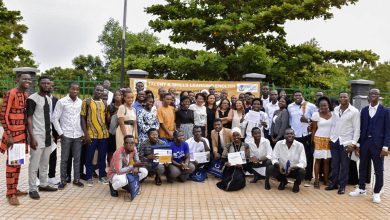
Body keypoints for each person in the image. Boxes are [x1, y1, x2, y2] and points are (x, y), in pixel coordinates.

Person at [350, 89, 390, 203]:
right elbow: (360, 128)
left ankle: (377, 192)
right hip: (364, 144)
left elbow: (388, 130)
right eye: (372, 93)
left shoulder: (386, 111)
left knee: (378, 170)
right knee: (362, 167)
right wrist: (358, 144)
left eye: (376, 93)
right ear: (368, 96)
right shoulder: (363, 110)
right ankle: (361, 188)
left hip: (378, 146)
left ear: (379, 96)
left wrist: (385, 147)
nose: (374, 95)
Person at [0, 72, 31, 206]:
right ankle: (10, 194)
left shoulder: (25, 95)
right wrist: (9, 135)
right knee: (11, 166)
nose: (27, 81)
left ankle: (14, 189)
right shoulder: (10, 93)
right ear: (18, 79)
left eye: (29, 79)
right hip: (13, 136)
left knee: (17, 164)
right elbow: (3, 116)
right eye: (24, 78)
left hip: (22, 136)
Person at [27, 76, 58, 200]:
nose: (46, 85)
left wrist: (52, 135)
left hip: (47, 136)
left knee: (45, 162)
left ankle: (43, 184)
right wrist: (32, 137)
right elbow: (28, 119)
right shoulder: (32, 99)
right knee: (34, 164)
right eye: (43, 83)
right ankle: (32, 188)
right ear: (39, 84)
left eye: (48, 83)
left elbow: (49, 118)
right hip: (37, 135)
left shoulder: (48, 99)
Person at [326, 92, 360, 195]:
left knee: (345, 165)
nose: (342, 98)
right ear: (339, 98)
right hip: (335, 140)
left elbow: (357, 129)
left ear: (348, 98)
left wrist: (353, 144)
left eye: (345, 96)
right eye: (341, 97)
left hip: (346, 142)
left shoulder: (354, 111)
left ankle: (342, 186)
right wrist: (330, 138)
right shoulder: (336, 109)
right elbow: (333, 125)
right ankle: (333, 183)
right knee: (334, 164)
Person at [52, 82, 84, 189]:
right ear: (69, 89)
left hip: (78, 134)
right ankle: (63, 180)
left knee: (77, 159)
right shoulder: (62, 102)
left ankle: (77, 179)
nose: (75, 91)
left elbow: (82, 119)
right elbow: (54, 118)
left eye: (77, 89)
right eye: (72, 89)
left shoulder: (81, 102)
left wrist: (83, 133)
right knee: (64, 159)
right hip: (66, 134)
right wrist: (60, 133)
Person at [81, 84, 110, 187]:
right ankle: (89, 177)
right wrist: (86, 134)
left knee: (102, 157)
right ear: (94, 90)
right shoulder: (87, 101)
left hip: (103, 135)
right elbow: (82, 118)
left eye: (101, 91)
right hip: (91, 135)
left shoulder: (104, 103)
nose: (99, 92)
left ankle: (102, 176)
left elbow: (106, 119)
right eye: (97, 90)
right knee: (89, 157)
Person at [287, 90, 317, 187]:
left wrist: (307, 120)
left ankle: (308, 177)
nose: (297, 97)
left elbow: (316, 119)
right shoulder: (290, 106)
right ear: (293, 97)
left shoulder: (310, 106)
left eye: (299, 95)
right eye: (295, 95)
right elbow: (290, 120)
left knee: (308, 155)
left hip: (306, 135)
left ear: (302, 96)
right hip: (295, 135)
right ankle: (295, 175)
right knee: (295, 155)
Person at [265, 128, 306, 193]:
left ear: (294, 135)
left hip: (293, 169)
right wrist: (279, 165)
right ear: (284, 136)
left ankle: (296, 184)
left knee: (302, 171)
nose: (290, 135)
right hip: (282, 169)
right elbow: (274, 158)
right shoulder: (279, 143)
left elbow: (303, 162)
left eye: (291, 134)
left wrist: (292, 167)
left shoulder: (300, 145)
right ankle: (283, 181)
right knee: (270, 168)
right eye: (287, 134)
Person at [310, 96, 333, 189]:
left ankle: (326, 180)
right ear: (319, 106)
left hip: (329, 140)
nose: (323, 107)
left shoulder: (333, 114)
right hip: (319, 139)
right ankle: (316, 180)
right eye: (321, 106)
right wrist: (312, 141)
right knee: (318, 160)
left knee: (327, 161)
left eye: (325, 105)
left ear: (328, 105)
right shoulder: (316, 115)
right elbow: (314, 129)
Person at [47, 80, 60, 185]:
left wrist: (58, 132)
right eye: (48, 85)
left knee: (53, 154)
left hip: (53, 132)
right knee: (41, 155)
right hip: (42, 131)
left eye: (52, 85)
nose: (50, 87)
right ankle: (38, 177)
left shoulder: (56, 100)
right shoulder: (38, 98)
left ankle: (51, 176)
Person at [107, 90, 123, 164]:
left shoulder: (124, 106)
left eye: (119, 95)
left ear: (122, 96)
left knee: (120, 149)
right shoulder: (110, 106)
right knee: (111, 150)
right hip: (112, 132)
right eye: (116, 95)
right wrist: (115, 114)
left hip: (121, 131)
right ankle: (110, 166)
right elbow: (108, 120)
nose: (117, 96)